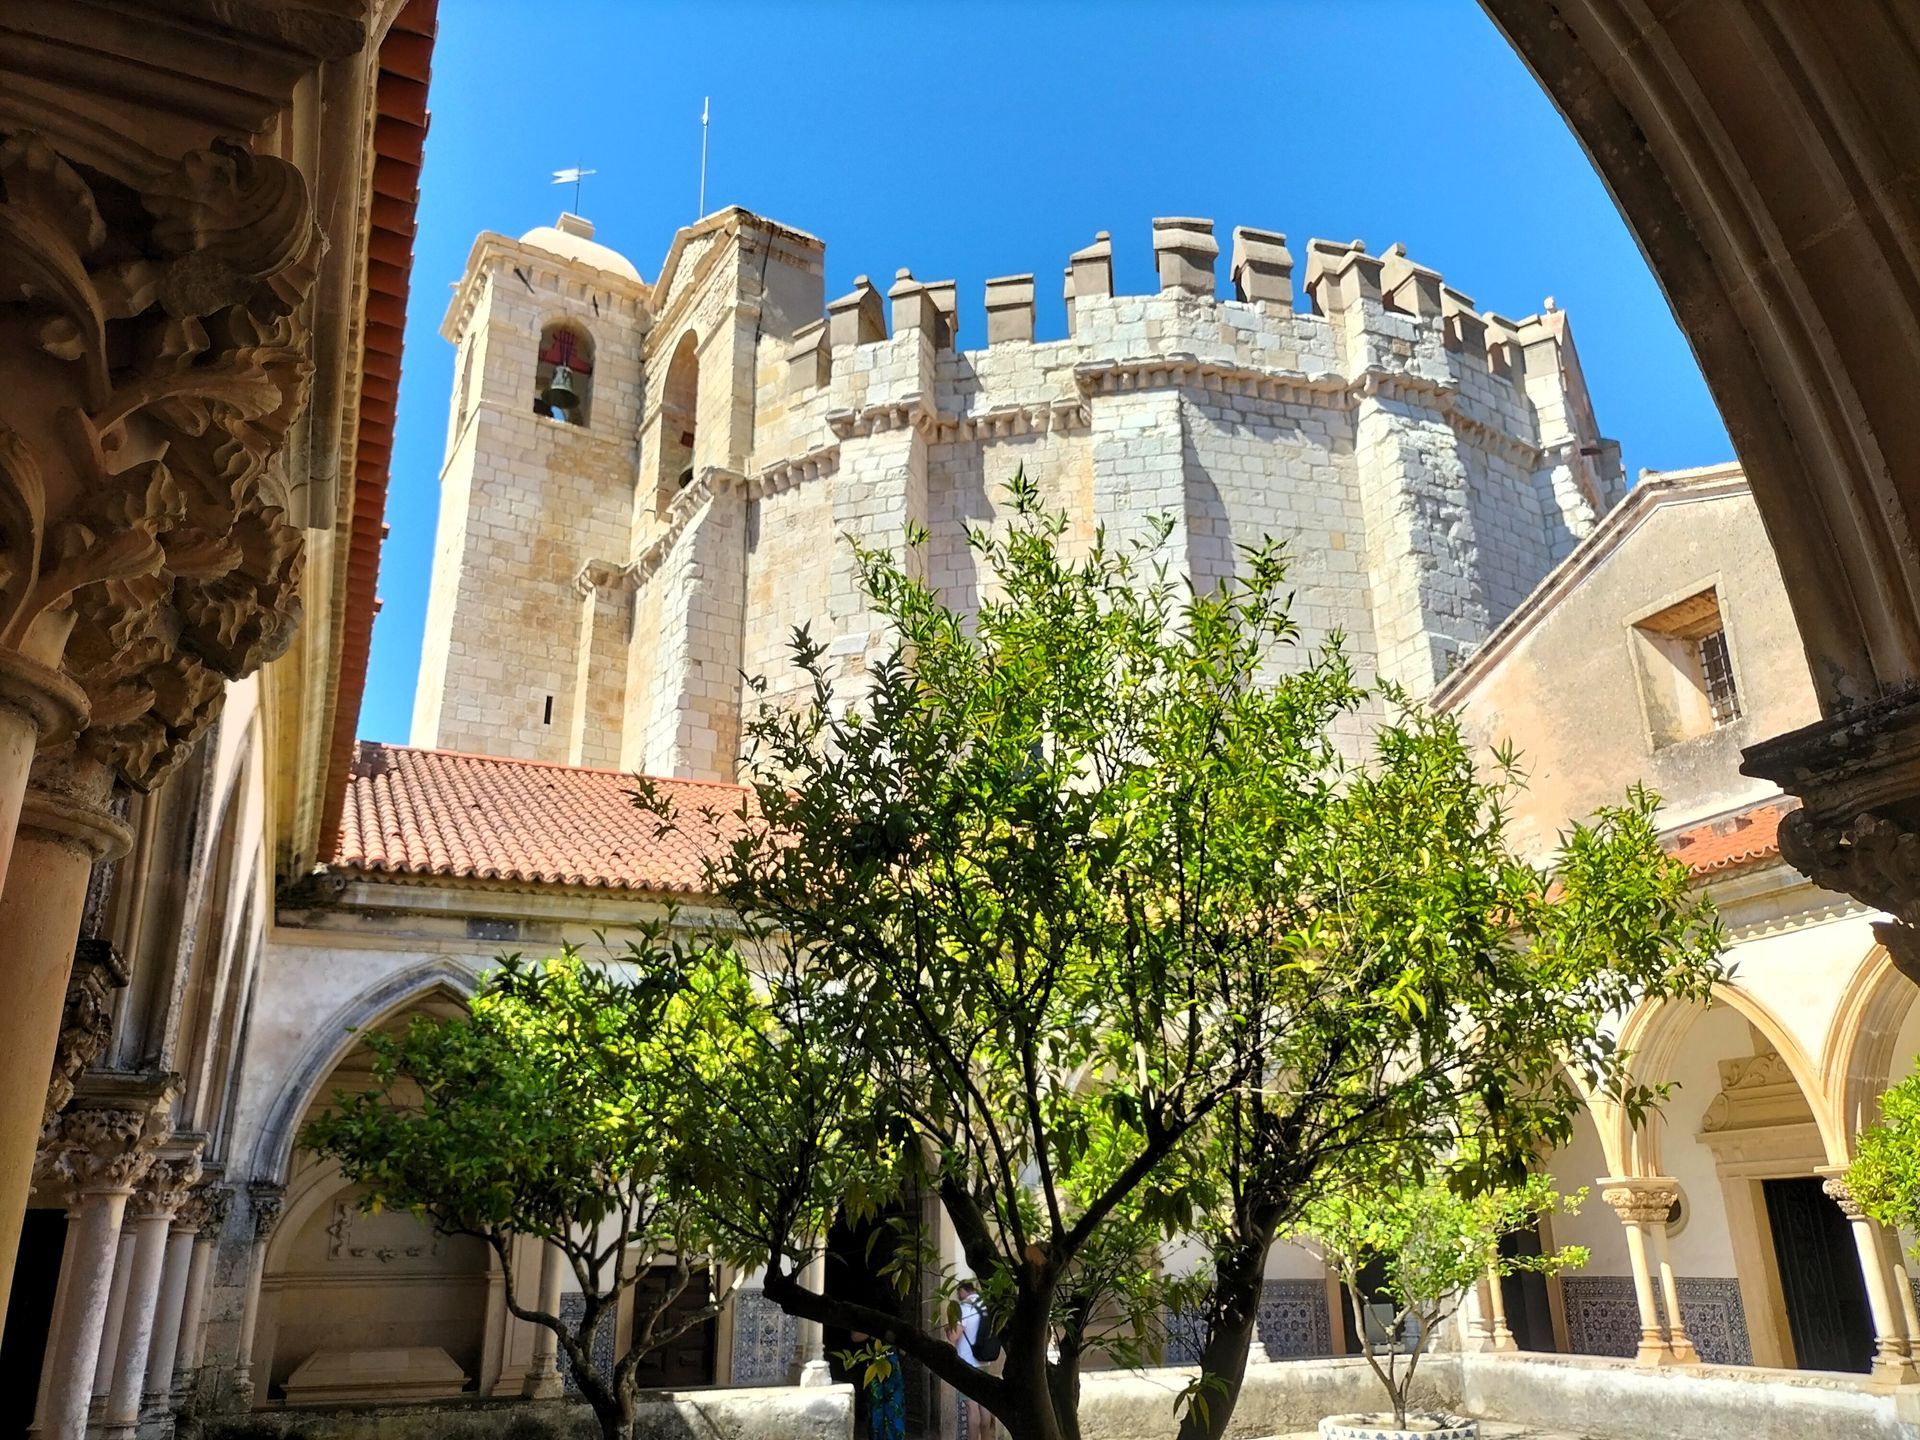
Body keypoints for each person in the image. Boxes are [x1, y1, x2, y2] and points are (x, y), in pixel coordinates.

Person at [952, 1279, 996, 1440]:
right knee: (984, 1406)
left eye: (958, 1293)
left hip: (966, 1364)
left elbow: (954, 1336)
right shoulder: (986, 1307)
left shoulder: (964, 1308)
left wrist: (948, 1328)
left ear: (963, 1290)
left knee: (972, 1408)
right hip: (984, 1362)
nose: (958, 1296)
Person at [850, 1329, 906, 1440]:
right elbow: (855, 1336)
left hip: (892, 1367)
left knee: (896, 1411)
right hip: (872, 1367)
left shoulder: (893, 1317)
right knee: (875, 1414)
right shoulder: (865, 1315)